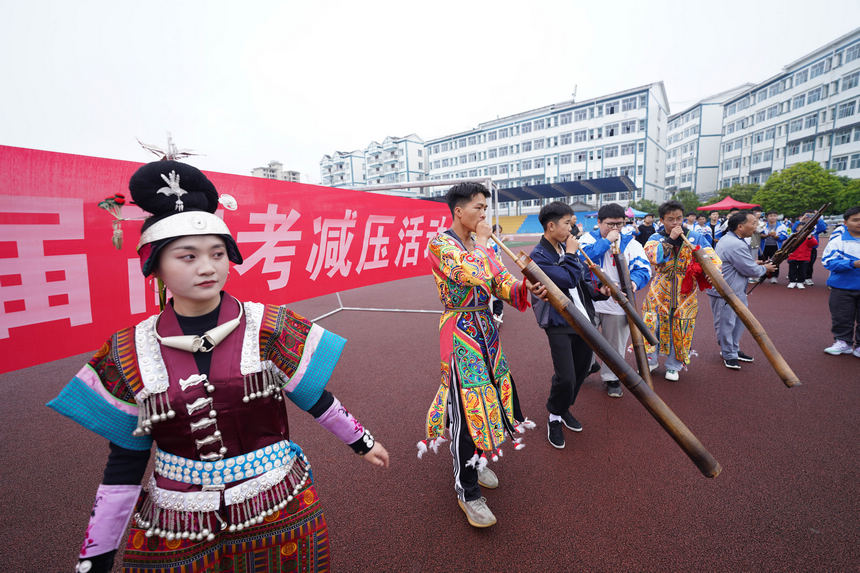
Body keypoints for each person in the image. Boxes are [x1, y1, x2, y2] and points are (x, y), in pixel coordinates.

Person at [47, 160, 389, 573]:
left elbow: (311, 394)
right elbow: (126, 457)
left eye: (217, 253)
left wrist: (362, 441)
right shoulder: (128, 350)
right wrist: (96, 554)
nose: (207, 268)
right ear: (154, 266)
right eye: (187, 256)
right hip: (178, 518)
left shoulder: (269, 324)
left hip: (277, 502)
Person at [422, 182, 545, 528]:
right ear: (459, 211)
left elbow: (498, 282)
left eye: (485, 208)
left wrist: (526, 289)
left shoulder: (480, 244)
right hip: (461, 332)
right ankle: (468, 491)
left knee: (491, 397)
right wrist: (485, 244)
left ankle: (477, 460)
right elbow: (473, 272)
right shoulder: (441, 244)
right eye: (478, 208)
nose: (484, 214)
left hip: (487, 332)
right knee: (467, 408)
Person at [529, 201, 608, 448]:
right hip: (558, 321)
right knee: (566, 377)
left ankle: (563, 409)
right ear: (551, 226)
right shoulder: (538, 256)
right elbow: (566, 279)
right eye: (567, 224)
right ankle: (554, 414)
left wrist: (601, 291)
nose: (571, 229)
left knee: (583, 370)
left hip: (584, 319)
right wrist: (572, 254)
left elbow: (582, 281)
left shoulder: (566, 247)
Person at [642, 200, 721, 381]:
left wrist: (712, 271)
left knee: (681, 327)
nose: (676, 223)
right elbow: (653, 257)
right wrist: (670, 240)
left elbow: (711, 257)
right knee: (652, 325)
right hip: (660, 291)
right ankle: (651, 360)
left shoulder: (695, 236)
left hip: (686, 293)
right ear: (662, 220)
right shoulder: (656, 238)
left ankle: (674, 366)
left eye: (679, 218)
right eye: (671, 219)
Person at [580, 203, 651, 398]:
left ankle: (611, 378)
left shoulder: (631, 243)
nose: (615, 229)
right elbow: (580, 260)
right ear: (599, 222)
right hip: (589, 302)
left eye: (619, 224)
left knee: (615, 344)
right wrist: (606, 242)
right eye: (610, 224)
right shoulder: (586, 239)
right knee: (583, 340)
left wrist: (634, 283)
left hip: (618, 303)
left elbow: (644, 269)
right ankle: (587, 365)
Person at [706, 211, 777, 369]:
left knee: (738, 322)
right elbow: (749, 269)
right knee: (727, 323)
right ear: (740, 226)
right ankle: (728, 353)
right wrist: (764, 268)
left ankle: (733, 349)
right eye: (752, 223)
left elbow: (742, 263)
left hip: (735, 290)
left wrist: (755, 264)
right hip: (725, 292)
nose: (755, 226)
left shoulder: (733, 239)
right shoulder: (735, 243)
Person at [821, 206, 860, 357]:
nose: (859, 223)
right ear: (845, 222)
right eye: (855, 220)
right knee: (842, 316)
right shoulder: (838, 241)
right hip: (842, 287)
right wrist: (853, 264)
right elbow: (828, 262)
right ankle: (843, 342)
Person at [792, 212, 828, 286]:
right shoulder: (801, 225)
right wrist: (801, 219)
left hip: (811, 248)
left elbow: (823, 228)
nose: (809, 217)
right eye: (807, 216)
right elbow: (793, 229)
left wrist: (818, 218)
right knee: (797, 263)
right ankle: (797, 277)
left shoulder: (816, 226)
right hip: (799, 248)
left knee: (809, 264)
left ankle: (808, 277)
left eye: (811, 216)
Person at [760, 211, 789, 284]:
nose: (773, 217)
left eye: (774, 215)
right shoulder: (762, 225)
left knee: (775, 262)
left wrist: (776, 236)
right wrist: (766, 235)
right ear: (767, 217)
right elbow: (759, 235)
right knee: (762, 261)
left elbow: (784, 236)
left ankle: (774, 277)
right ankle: (761, 276)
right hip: (764, 246)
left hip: (775, 247)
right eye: (770, 216)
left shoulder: (782, 226)